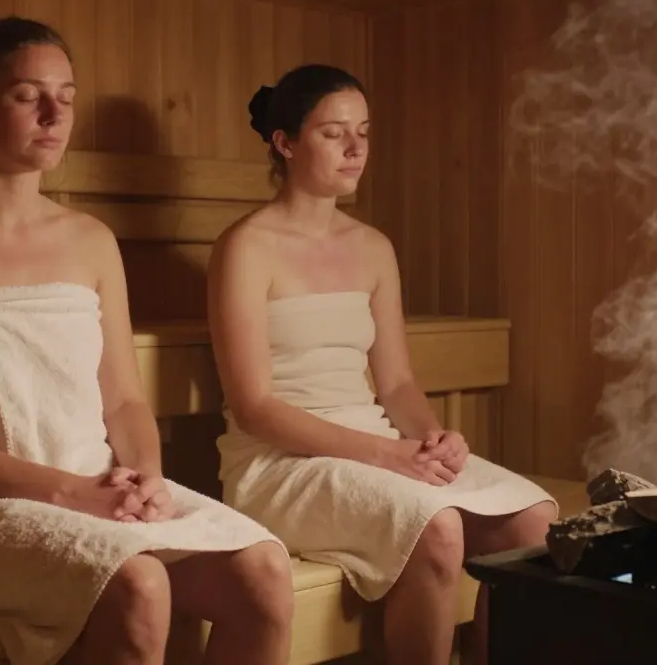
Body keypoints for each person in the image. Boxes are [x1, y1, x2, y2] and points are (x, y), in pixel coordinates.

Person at [0, 15, 293, 665]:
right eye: (27, 95)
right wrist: (70, 494)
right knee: (139, 584)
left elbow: (123, 400)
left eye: (66, 97)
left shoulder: (91, 240)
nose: (53, 113)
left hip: (101, 493)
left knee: (265, 573)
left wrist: (146, 479)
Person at [207, 63, 558, 665]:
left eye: (364, 132)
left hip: (378, 447)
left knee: (536, 521)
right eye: (333, 133)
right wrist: (390, 454)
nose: (354, 149)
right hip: (282, 464)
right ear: (285, 142)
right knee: (439, 525)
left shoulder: (372, 247)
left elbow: (395, 382)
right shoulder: (246, 247)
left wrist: (433, 437)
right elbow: (255, 407)